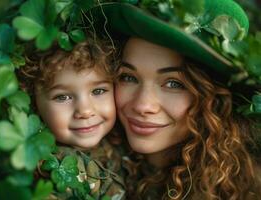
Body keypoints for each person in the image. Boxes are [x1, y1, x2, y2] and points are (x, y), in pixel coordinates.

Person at [94, 0, 261, 199]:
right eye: (128, 77)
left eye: (174, 84)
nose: (142, 105)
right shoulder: (83, 164)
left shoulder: (247, 190)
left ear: (215, 99)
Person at [17, 38, 125, 199]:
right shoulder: (51, 171)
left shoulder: (120, 142)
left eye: (98, 91)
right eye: (62, 97)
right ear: (35, 104)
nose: (85, 111)